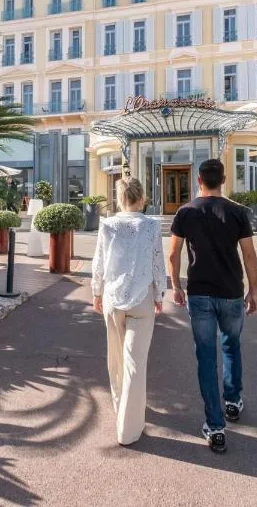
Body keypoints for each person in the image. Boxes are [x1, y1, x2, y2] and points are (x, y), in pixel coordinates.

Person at [168, 159, 257, 454]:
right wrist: (254, 291)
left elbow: (173, 255)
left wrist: (176, 286)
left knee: (206, 357)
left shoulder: (185, 212)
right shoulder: (238, 212)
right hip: (232, 292)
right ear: (224, 178)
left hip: (199, 294)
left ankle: (216, 426)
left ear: (198, 179)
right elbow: (249, 255)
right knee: (231, 344)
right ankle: (232, 402)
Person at [92, 177, 167, 446]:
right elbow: (158, 263)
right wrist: (160, 294)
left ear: (120, 199)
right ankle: (128, 428)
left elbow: (99, 261)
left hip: (113, 298)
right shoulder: (151, 226)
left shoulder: (107, 225)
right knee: (135, 363)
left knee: (116, 357)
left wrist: (96, 292)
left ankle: (120, 405)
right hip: (142, 300)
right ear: (141, 198)